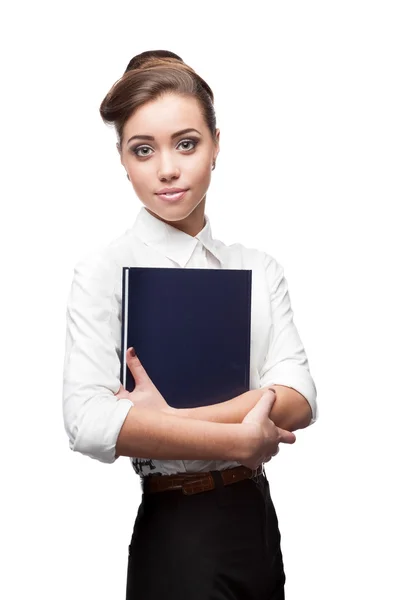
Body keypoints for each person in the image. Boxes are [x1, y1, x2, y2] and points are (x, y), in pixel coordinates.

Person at [62, 49, 318, 599]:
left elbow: (299, 397)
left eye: (186, 143)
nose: (168, 169)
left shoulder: (257, 267)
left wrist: (175, 421)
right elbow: (86, 422)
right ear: (123, 160)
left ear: (216, 145)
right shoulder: (104, 270)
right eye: (143, 150)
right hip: (175, 531)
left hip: (255, 523)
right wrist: (241, 437)